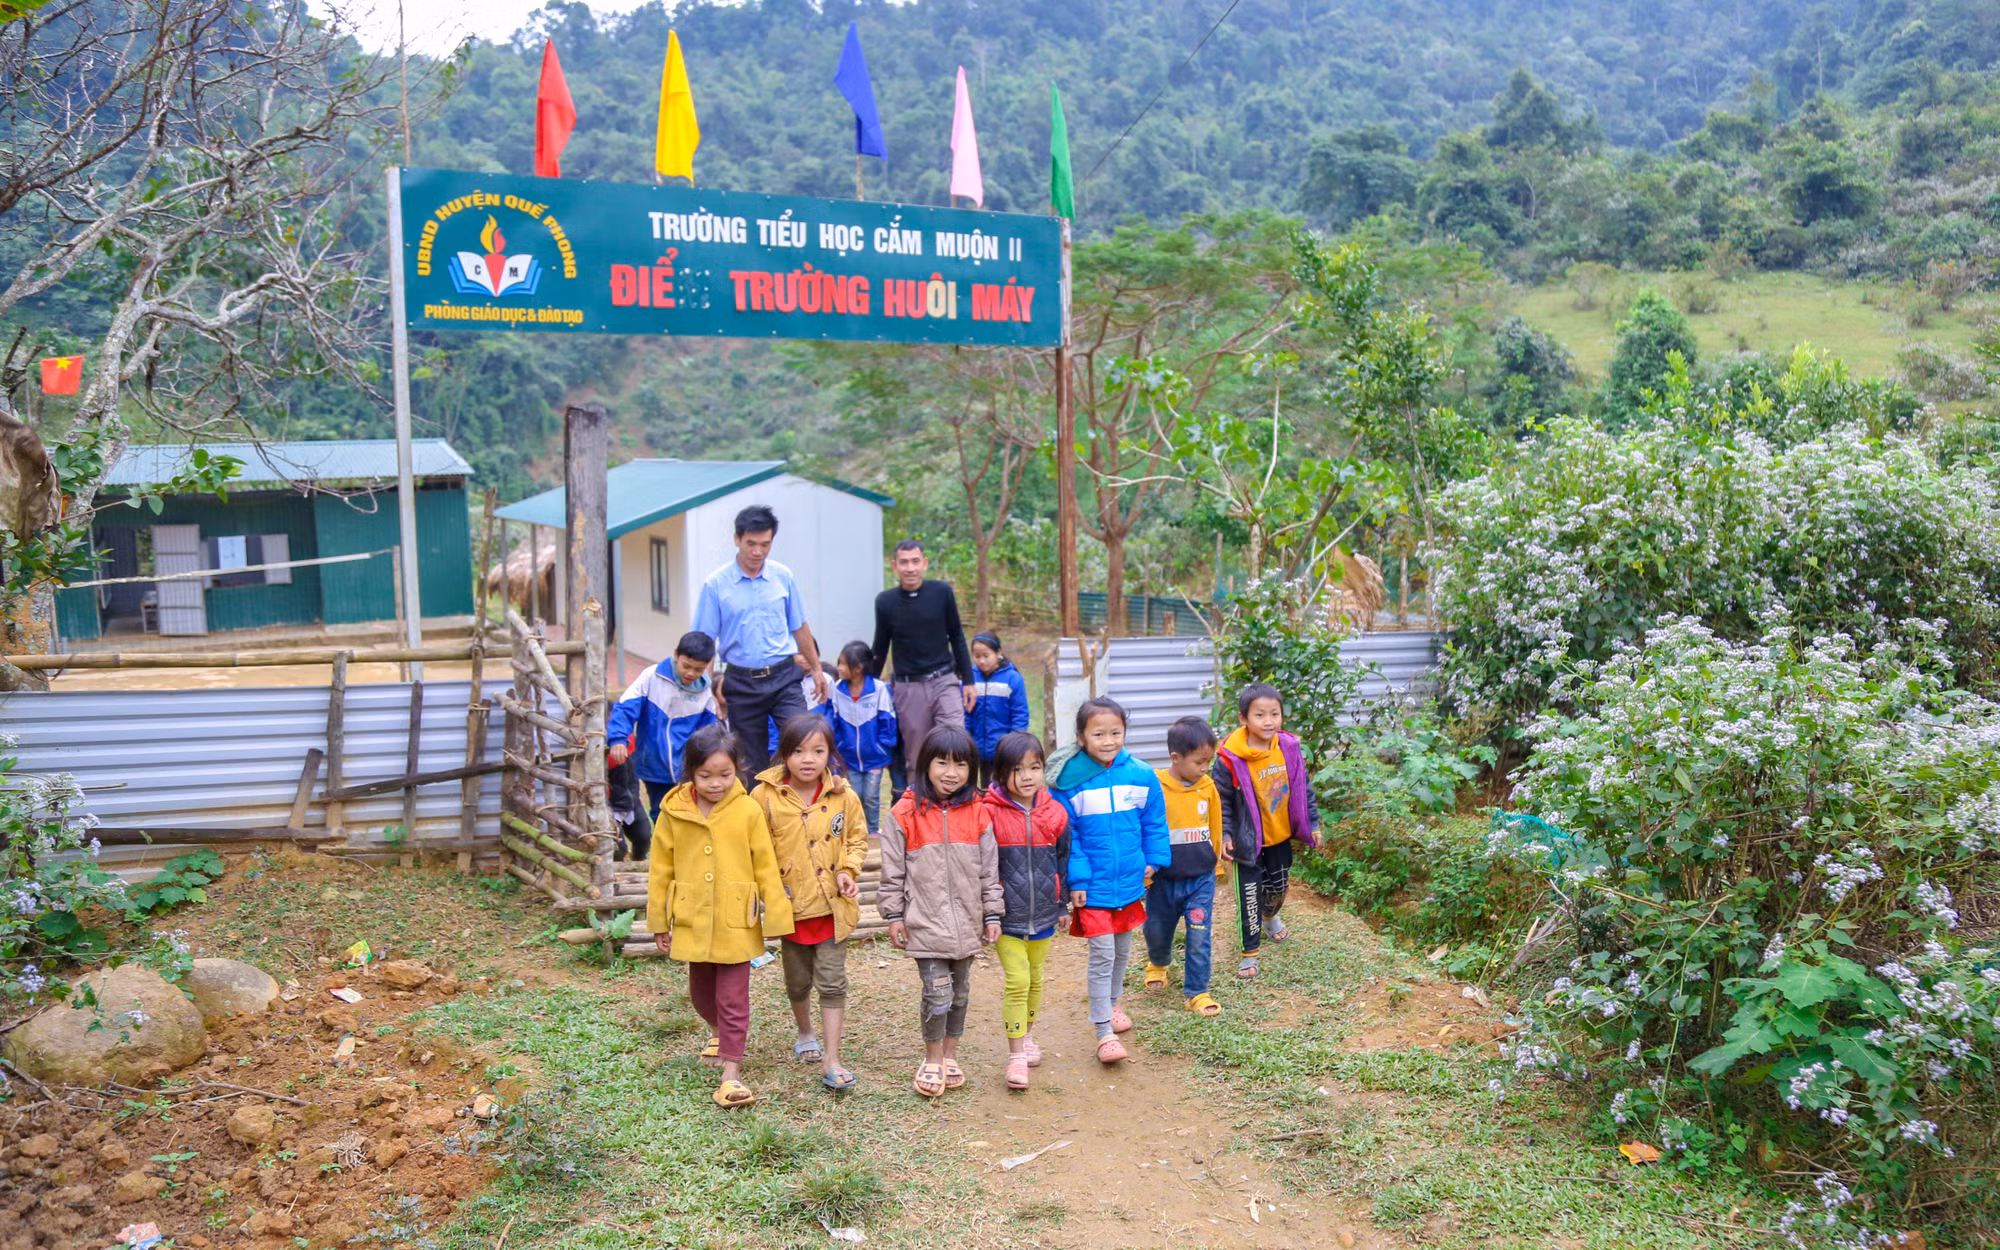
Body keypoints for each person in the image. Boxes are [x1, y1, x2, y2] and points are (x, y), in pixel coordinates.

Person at [646, 724, 795, 1108]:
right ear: (690, 773)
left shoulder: (746, 810)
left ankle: (732, 1072)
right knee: (700, 994)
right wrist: (660, 921)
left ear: (738, 770)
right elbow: (661, 867)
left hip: (736, 921)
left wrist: (776, 918)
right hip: (692, 918)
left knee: (733, 997)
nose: (716, 784)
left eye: (725, 775)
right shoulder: (673, 810)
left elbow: (765, 863)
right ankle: (717, 1030)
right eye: (706, 776)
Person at [878, 725, 1001, 1099]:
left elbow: (989, 869)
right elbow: (892, 871)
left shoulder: (979, 813)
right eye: (942, 762)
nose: (951, 773)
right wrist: (894, 915)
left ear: (972, 769)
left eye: (961, 765)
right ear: (925, 765)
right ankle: (931, 1058)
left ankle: (951, 1055)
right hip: (924, 922)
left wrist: (992, 913)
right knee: (938, 994)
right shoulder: (905, 812)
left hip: (967, 921)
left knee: (961, 994)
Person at [1048, 696, 1169, 1065]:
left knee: (1122, 952)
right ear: (1081, 738)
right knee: (1101, 956)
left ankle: (1114, 1004)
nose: (1108, 740)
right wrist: (1077, 881)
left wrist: (1155, 860)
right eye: (1098, 733)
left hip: (1130, 883)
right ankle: (1103, 1031)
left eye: (1116, 732)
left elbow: (1154, 822)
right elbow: (1070, 839)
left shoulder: (1141, 774)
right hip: (1095, 887)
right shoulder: (1067, 783)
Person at [752, 715, 869, 1093]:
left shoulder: (842, 796)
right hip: (790, 908)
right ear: (784, 754)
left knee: (833, 983)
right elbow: (755, 848)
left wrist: (848, 869)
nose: (808, 759)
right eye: (798, 751)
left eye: (818, 751)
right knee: (797, 981)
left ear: (829, 754)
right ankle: (805, 1031)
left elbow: (856, 838)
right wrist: (771, 886)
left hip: (832, 908)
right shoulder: (764, 797)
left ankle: (833, 1060)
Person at [693, 504, 829, 779]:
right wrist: (705, 690)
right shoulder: (716, 584)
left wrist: (815, 669)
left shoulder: (783, 577)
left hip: (784, 676)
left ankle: (809, 809)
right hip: (742, 683)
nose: (758, 552)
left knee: (804, 738)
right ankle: (760, 818)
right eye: (751, 544)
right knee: (749, 761)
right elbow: (704, 641)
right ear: (737, 540)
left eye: (765, 544)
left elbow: (799, 626)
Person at [981, 730, 1069, 1091]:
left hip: (1046, 913)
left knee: (1035, 978)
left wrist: (1062, 904)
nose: (1028, 776)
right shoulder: (986, 814)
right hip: (1006, 918)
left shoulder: (1056, 813)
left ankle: (1028, 1035)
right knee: (1018, 981)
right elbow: (982, 866)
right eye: (1018, 769)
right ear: (1001, 773)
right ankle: (1016, 1054)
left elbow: (1063, 861)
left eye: (1035, 767)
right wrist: (987, 912)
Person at [1214, 682, 1319, 980]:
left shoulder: (1287, 747)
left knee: (1278, 888)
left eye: (1275, 714)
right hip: (1247, 842)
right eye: (1260, 715)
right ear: (1243, 718)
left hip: (1280, 836)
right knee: (1249, 895)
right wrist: (1226, 834)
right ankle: (1250, 954)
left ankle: (1271, 915)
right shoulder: (1229, 758)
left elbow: (1303, 789)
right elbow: (1221, 801)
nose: (1269, 721)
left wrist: (1313, 823)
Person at [869, 539, 974, 786]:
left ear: (924, 564)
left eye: (915, 561)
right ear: (894, 565)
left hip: (944, 680)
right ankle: (919, 811)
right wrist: (869, 687)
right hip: (909, 688)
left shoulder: (942, 592)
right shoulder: (885, 602)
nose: (910, 568)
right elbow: (880, 646)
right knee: (917, 756)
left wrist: (968, 680)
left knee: (955, 742)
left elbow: (957, 635)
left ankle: (960, 803)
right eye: (904, 562)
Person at [1144, 715, 1227, 1016]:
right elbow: (1145, 827)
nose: (1205, 768)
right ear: (1175, 758)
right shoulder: (1154, 786)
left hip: (1200, 880)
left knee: (1199, 935)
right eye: (1199, 762)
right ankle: (1158, 962)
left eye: (1208, 761)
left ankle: (1197, 992)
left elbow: (1215, 825)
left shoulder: (1208, 788)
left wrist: (1217, 862)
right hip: (1163, 880)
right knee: (1156, 930)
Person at [608, 631, 721, 837]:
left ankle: (689, 854)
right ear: (676, 655)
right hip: (654, 765)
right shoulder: (652, 677)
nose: (691, 674)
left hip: (688, 767)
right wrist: (618, 739)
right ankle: (665, 856)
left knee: (691, 811)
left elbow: (711, 731)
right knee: (660, 813)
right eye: (686, 666)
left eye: (698, 669)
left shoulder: (704, 691)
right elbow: (624, 708)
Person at [819, 640, 899, 835]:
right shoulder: (837, 689)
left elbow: (887, 719)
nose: (838, 667)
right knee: (855, 795)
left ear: (858, 668)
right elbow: (834, 719)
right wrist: (837, 747)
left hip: (875, 757)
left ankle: (873, 832)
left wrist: (884, 747)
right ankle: (857, 832)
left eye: (843, 664)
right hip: (849, 757)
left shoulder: (879, 689)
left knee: (871, 796)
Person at [965, 630, 1030, 789]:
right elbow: (966, 714)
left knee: (1003, 788)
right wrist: (967, 740)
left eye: (986, 656)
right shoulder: (970, 679)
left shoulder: (1013, 679)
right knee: (983, 789)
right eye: (977, 656)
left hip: (1003, 750)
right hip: (977, 749)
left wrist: (1012, 745)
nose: (981, 661)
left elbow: (1020, 715)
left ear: (998, 653)